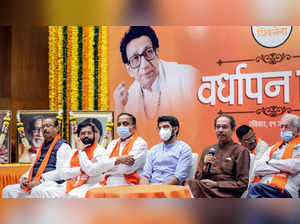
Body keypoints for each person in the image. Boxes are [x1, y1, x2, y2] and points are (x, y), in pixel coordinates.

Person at [114, 26, 199, 120]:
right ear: (129, 69)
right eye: (135, 58)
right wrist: (119, 108)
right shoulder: (129, 99)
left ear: (157, 53)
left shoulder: (187, 77)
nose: (144, 65)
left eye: (148, 52)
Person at [2, 117, 72, 198]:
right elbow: (34, 167)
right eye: (43, 127)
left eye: (48, 126)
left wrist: (41, 180)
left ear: (57, 128)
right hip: (36, 182)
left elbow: (62, 172)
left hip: (54, 184)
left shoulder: (63, 146)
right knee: (8, 190)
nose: (45, 129)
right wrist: (25, 178)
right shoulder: (41, 147)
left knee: (37, 191)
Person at [185, 114, 250, 198]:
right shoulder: (208, 150)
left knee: (191, 185)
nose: (220, 130)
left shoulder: (241, 151)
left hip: (226, 193)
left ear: (233, 129)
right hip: (206, 189)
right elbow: (197, 178)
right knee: (190, 182)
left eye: (224, 127)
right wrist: (204, 167)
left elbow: (242, 184)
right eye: (218, 127)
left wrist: (216, 184)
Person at [247, 114, 300, 198]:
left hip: (285, 189)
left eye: (287, 127)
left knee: (255, 188)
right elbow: (257, 168)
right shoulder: (273, 148)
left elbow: (293, 166)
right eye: (281, 127)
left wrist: (268, 163)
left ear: (298, 130)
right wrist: (283, 167)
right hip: (266, 185)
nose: (283, 130)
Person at [140, 115, 192, 185]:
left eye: (165, 127)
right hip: (151, 189)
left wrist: (160, 191)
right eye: (159, 128)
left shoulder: (184, 149)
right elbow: (145, 175)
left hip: (171, 190)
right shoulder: (153, 149)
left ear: (175, 129)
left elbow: (178, 177)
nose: (162, 130)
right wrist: (145, 190)